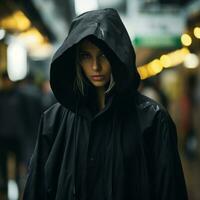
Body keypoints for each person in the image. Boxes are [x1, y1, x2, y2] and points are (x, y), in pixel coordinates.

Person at [23, 8, 188, 200]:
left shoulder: (152, 119)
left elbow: (169, 189)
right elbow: (37, 188)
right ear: (76, 59)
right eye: (86, 56)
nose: (95, 66)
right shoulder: (55, 121)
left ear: (117, 55)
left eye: (103, 55)